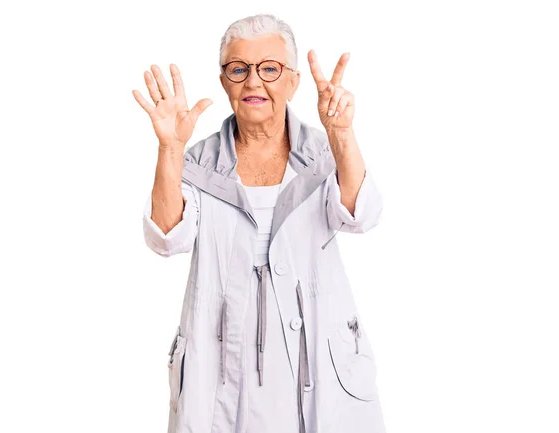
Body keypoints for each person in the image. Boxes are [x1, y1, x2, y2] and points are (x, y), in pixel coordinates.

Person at [133, 13, 386, 433]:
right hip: (222, 370)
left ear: (293, 81)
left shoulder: (323, 154)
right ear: (224, 80)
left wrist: (341, 134)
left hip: (315, 366)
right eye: (239, 68)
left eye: (269, 68)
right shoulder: (197, 163)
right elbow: (165, 236)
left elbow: (362, 214)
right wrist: (170, 149)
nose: (253, 82)